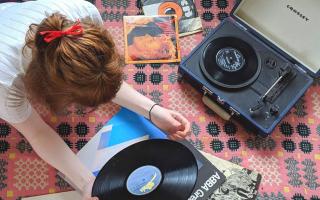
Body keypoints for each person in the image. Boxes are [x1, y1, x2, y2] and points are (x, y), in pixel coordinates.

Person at [0, 0, 190, 199]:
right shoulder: (5, 84)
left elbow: (102, 79)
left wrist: (153, 111)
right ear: (53, 93)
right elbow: (37, 132)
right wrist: (86, 183)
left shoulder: (84, 13)